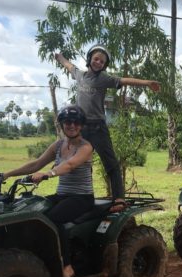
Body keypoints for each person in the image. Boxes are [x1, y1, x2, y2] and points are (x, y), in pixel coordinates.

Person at [55, 45, 160, 212]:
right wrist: (59, 57)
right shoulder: (80, 75)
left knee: (110, 164)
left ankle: (119, 199)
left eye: (102, 62)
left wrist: (147, 83)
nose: (98, 63)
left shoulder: (103, 79)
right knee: (82, 165)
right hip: (80, 129)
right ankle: (83, 196)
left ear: (105, 65)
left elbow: (124, 80)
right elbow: (69, 65)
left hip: (98, 128)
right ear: (89, 59)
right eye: (96, 59)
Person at [1, 105, 93, 277]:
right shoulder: (58, 145)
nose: (71, 125)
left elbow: (70, 165)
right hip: (61, 196)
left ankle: (66, 265)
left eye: (76, 122)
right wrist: (7, 174)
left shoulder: (85, 147)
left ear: (81, 125)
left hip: (81, 198)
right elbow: (36, 164)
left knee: (52, 219)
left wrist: (48, 173)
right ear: (62, 124)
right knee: (31, 212)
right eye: (67, 122)